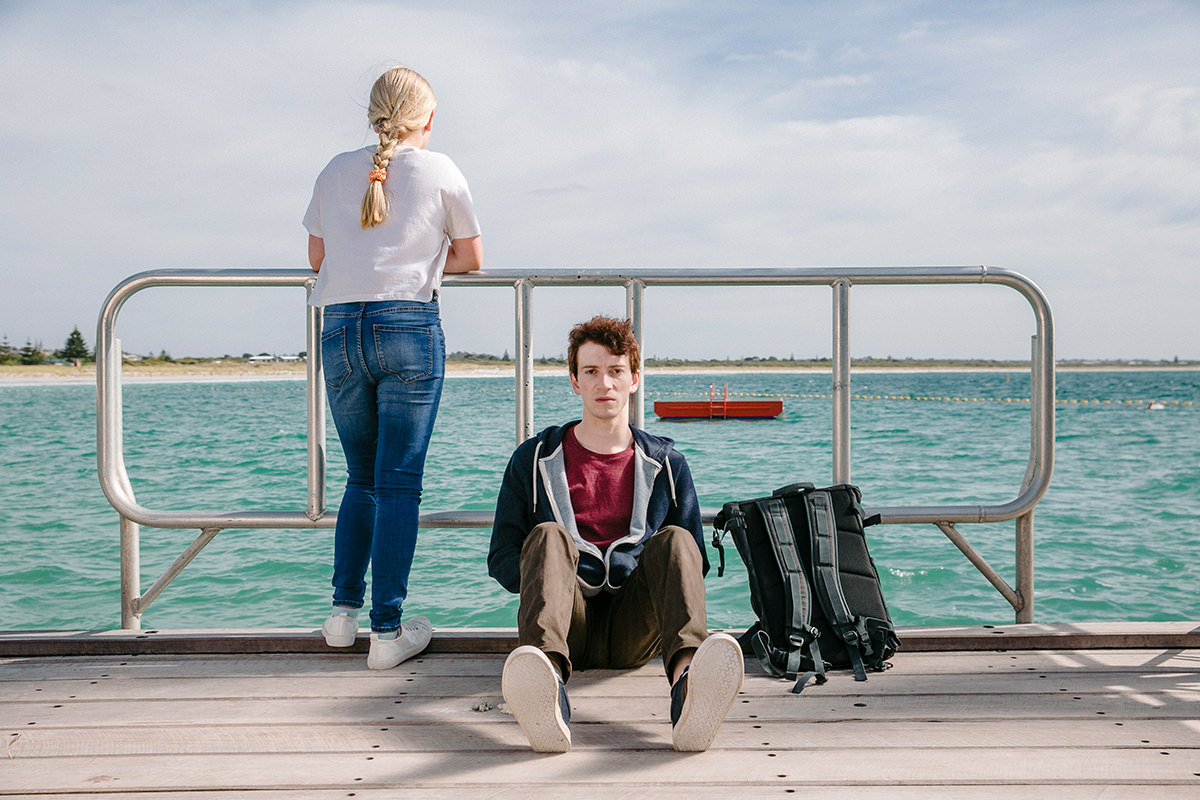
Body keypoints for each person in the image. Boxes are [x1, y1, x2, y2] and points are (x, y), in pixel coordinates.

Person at [488, 316, 743, 752]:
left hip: (636, 631)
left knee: (678, 540)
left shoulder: (666, 463)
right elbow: (502, 558)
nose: (603, 383)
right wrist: (549, 573)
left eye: (615, 370)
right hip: (563, 628)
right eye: (590, 371)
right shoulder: (533, 459)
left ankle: (688, 691)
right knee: (549, 535)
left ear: (634, 379)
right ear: (574, 381)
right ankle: (547, 693)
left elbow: (691, 561)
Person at [303, 66, 482, 669]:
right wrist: (419, 261)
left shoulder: (333, 170)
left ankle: (340, 616)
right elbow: (471, 258)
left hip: (339, 331)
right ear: (426, 120)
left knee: (361, 478)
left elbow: (317, 255)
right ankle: (387, 632)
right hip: (407, 325)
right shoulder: (441, 170)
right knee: (399, 481)